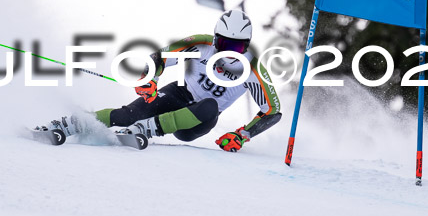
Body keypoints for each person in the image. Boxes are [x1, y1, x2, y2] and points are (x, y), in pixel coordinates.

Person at [47, 9, 282, 152]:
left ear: (247, 44)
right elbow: (159, 57)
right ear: (215, 39)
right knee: (129, 113)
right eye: (225, 44)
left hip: (198, 120)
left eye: (238, 46)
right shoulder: (201, 43)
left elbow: (272, 110)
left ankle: (146, 130)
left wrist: (242, 135)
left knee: (209, 104)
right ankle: (70, 124)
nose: (230, 52)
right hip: (178, 95)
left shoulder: (253, 67)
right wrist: (149, 80)